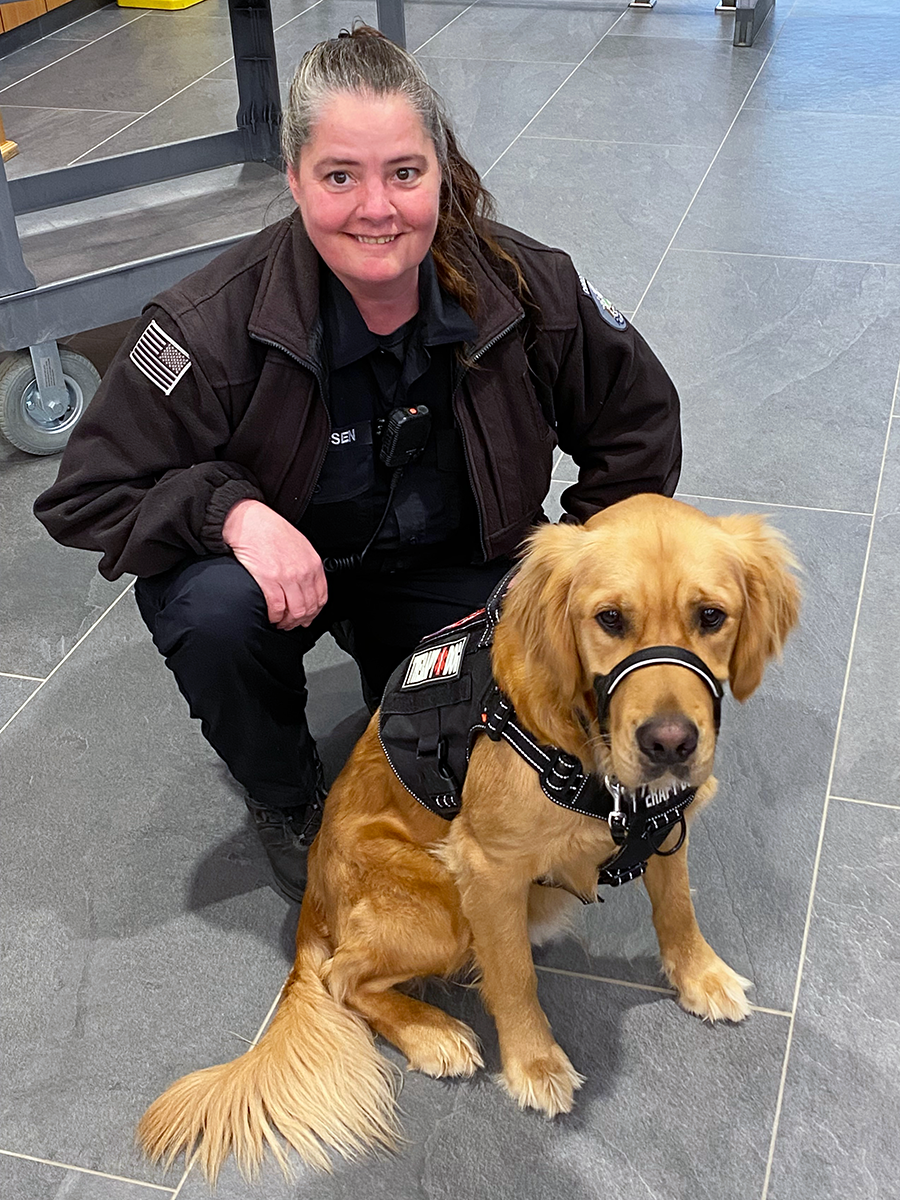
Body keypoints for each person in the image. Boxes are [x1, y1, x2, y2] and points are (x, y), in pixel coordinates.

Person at [34, 25, 681, 904]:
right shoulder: (208, 324)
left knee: (490, 770)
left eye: (404, 173)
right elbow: (89, 492)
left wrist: (578, 569)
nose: (377, 208)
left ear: (438, 173)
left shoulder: (527, 287)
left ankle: (425, 693)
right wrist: (231, 512)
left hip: (459, 571)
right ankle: (289, 801)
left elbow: (637, 426)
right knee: (210, 612)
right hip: (290, 575)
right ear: (294, 177)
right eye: (340, 176)